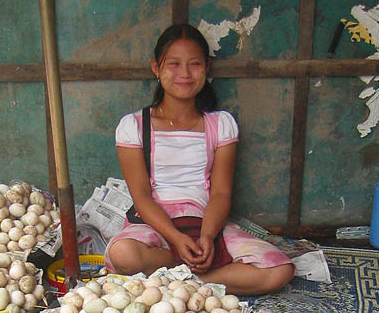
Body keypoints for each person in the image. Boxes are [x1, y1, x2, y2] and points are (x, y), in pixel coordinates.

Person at [105, 24, 295, 295]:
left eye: (194, 64)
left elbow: (220, 193)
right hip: (155, 226)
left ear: (207, 68)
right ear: (156, 68)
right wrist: (176, 240)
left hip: (205, 221)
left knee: (279, 271)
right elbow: (142, 197)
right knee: (124, 254)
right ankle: (187, 271)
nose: (184, 73)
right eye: (174, 64)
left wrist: (206, 237)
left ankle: (183, 282)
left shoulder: (220, 124)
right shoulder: (134, 126)